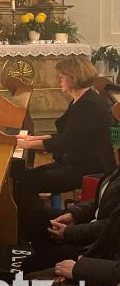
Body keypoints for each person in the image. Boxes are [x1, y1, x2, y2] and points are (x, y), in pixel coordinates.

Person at [15, 56, 115, 217]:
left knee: (26, 182)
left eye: (61, 76)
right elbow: (66, 134)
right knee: (24, 179)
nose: (58, 79)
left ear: (74, 77)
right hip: (76, 161)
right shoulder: (80, 99)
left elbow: (66, 142)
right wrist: (31, 139)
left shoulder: (89, 105)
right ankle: (34, 218)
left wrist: (28, 145)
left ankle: (44, 222)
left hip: (90, 169)